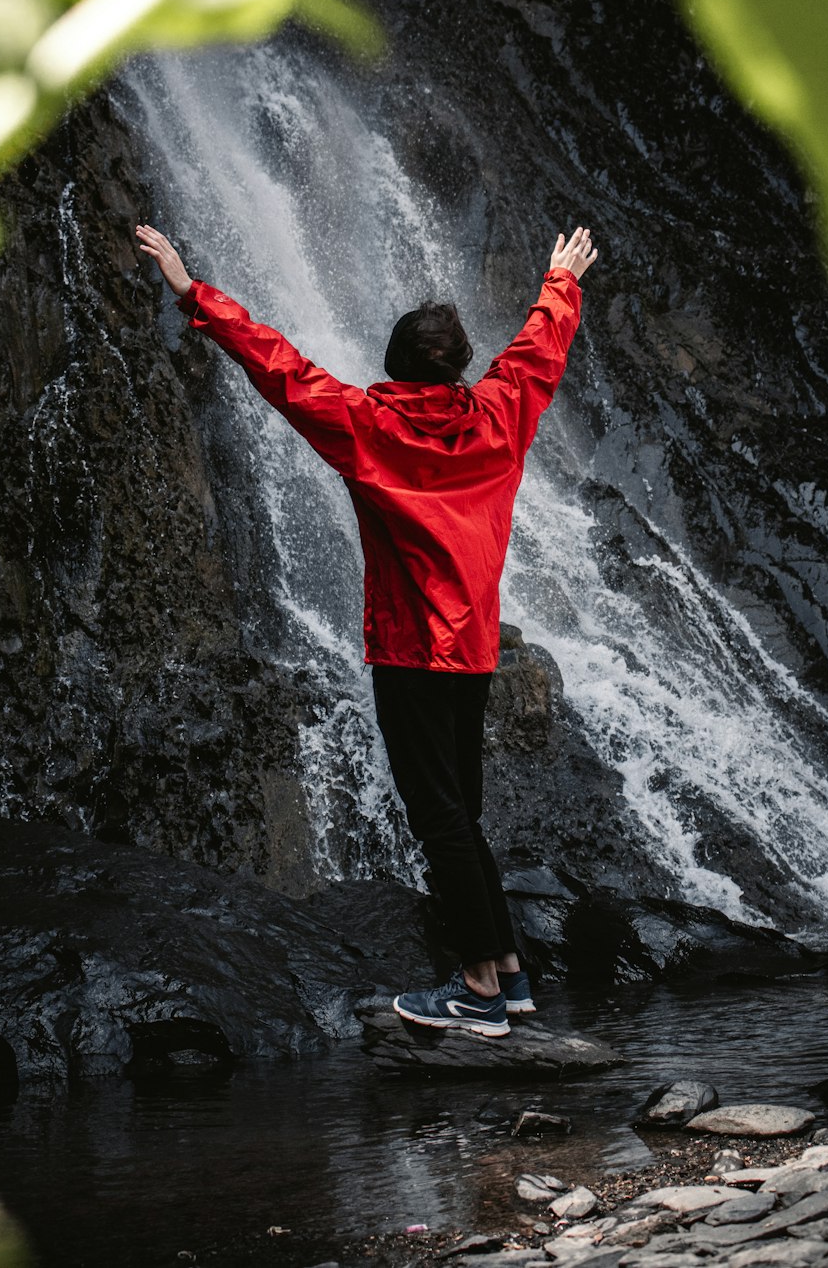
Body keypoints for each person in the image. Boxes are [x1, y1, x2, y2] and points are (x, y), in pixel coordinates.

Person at [135, 221, 598, 1037]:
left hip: (412, 653)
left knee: (439, 818)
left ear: (395, 364)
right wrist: (560, 281)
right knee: (461, 813)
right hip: (475, 650)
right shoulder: (499, 416)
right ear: (458, 364)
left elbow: (280, 368)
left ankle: (479, 992)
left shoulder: (366, 426)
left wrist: (189, 289)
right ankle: (514, 976)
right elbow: (535, 354)